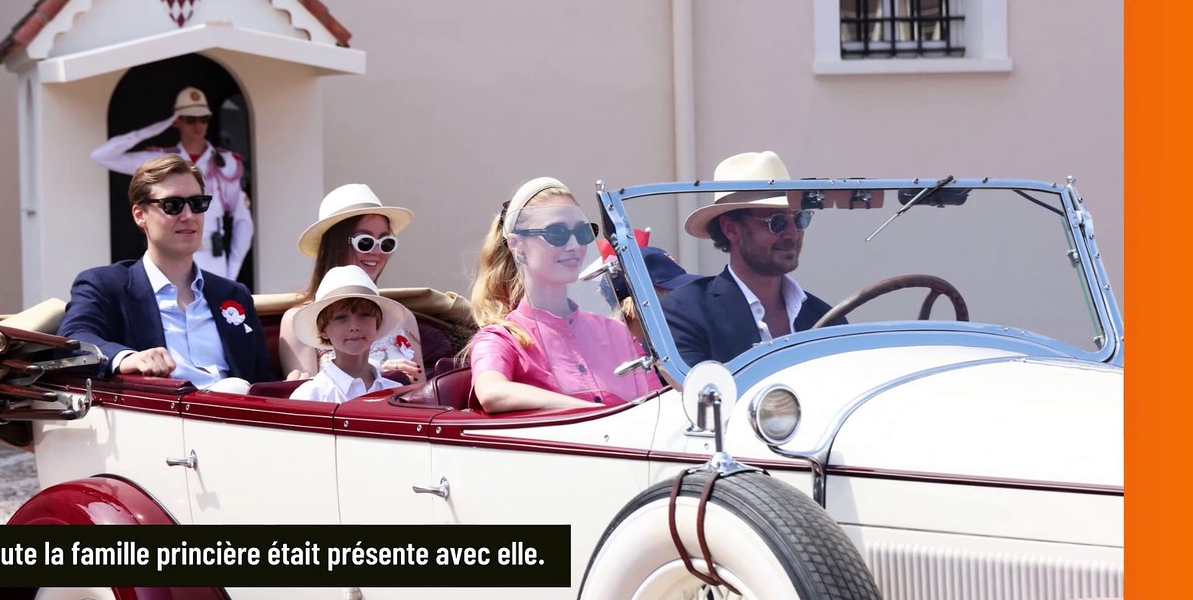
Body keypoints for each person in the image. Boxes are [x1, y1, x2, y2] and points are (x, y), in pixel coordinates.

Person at [58, 155, 274, 389]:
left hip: (238, 406)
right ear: (139, 215)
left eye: (197, 203)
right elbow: (73, 339)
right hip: (161, 410)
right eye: (172, 205)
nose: (189, 216)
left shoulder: (233, 293)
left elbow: (262, 379)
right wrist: (127, 358)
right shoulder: (104, 285)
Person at [467, 177, 661, 413]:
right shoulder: (501, 337)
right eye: (556, 233)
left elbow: (657, 404)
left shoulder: (616, 332)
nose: (574, 245)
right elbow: (492, 392)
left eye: (582, 232)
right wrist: (595, 414)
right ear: (517, 245)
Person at [662, 151, 844, 366]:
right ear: (731, 229)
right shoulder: (686, 312)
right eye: (776, 222)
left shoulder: (827, 317)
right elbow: (697, 386)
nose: (792, 234)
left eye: (799, 218)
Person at [279, 184, 443, 381]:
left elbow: (421, 392)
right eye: (365, 242)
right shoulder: (301, 320)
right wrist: (378, 374)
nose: (377, 252)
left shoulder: (402, 316)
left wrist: (403, 382)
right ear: (335, 245)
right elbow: (312, 395)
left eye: (386, 243)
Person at [90, 86, 253, 280]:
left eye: (204, 119)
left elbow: (243, 220)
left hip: (213, 261)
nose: (198, 125)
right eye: (190, 119)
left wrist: (232, 271)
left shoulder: (226, 163)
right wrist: (157, 127)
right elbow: (102, 156)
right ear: (178, 121)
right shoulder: (159, 161)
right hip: (167, 260)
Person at [288, 266, 413, 403]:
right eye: (341, 318)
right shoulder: (309, 396)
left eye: (364, 315)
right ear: (323, 330)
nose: (354, 327)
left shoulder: (396, 393)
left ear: (377, 323)